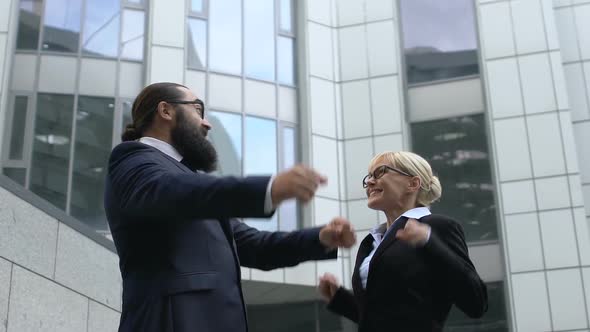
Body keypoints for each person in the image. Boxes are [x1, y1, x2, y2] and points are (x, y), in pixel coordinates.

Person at [104, 82, 356, 332]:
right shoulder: (133, 160)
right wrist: (270, 188)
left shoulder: (191, 188)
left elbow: (256, 246)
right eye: (197, 110)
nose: (207, 124)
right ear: (166, 111)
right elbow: (178, 191)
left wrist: (322, 238)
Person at [318, 151, 488, 332]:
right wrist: (340, 300)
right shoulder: (371, 242)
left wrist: (428, 242)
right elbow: (383, 317)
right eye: (368, 177)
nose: (369, 182)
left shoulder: (437, 227)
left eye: (380, 172)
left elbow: (476, 302)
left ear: (413, 183)